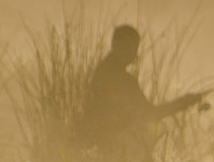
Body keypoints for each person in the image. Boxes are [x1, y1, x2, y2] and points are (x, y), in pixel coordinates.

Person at [79, 24, 203, 153]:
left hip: (96, 143)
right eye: (129, 48)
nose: (134, 54)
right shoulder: (124, 80)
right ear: (116, 45)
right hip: (115, 148)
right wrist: (183, 103)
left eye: (134, 48)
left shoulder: (101, 71)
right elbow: (149, 114)